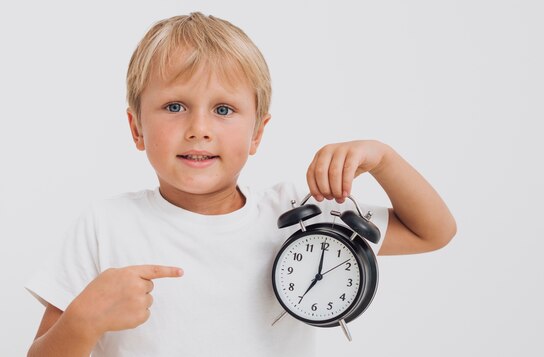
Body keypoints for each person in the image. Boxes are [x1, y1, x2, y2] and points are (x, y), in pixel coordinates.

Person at [26, 12, 456, 357]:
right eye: (174, 106)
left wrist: (383, 158)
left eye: (224, 109)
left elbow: (432, 232)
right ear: (136, 127)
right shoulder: (105, 226)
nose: (199, 128)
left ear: (257, 133)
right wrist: (83, 321)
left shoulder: (295, 213)